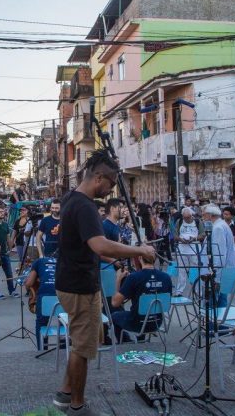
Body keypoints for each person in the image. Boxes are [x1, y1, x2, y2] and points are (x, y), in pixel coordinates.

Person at [52, 150, 156, 415]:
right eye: (110, 184)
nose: (110, 192)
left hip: (76, 281)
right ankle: (77, 405)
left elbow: (91, 246)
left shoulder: (71, 199)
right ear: (99, 177)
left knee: (84, 343)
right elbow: (99, 245)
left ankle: (65, 394)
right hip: (78, 286)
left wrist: (119, 256)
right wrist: (139, 251)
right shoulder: (85, 206)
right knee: (82, 347)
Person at [110, 253, 172, 343]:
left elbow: (115, 303)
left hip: (136, 323)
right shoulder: (166, 277)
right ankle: (141, 341)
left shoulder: (134, 277)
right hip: (156, 323)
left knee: (114, 316)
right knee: (142, 312)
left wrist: (118, 279)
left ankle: (126, 342)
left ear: (139, 258)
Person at [24, 254, 57, 350]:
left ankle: (42, 348)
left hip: (45, 297)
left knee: (41, 323)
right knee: (63, 320)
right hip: (62, 296)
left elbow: (29, 284)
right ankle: (64, 344)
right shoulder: (61, 261)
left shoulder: (38, 262)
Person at [173, 207, 203, 296]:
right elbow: (175, 235)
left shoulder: (197, 222)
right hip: (182, 249)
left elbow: (203, 234)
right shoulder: (179, 222)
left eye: (188, 217)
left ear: (191, 215)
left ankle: (197, 290)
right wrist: (180, 239)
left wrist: (194, 238)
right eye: (185, 217)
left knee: (196, 270)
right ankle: (179, 291)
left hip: (194, 249)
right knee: (182, 270)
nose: (187, 219)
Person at [0, 206, 17, 299]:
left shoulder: (5, 224)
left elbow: (8, 238)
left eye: (3, 211)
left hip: (5, 253)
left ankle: (12, 291)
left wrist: (10, 249)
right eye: (0, 212)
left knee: (9, 273)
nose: (2, 213)